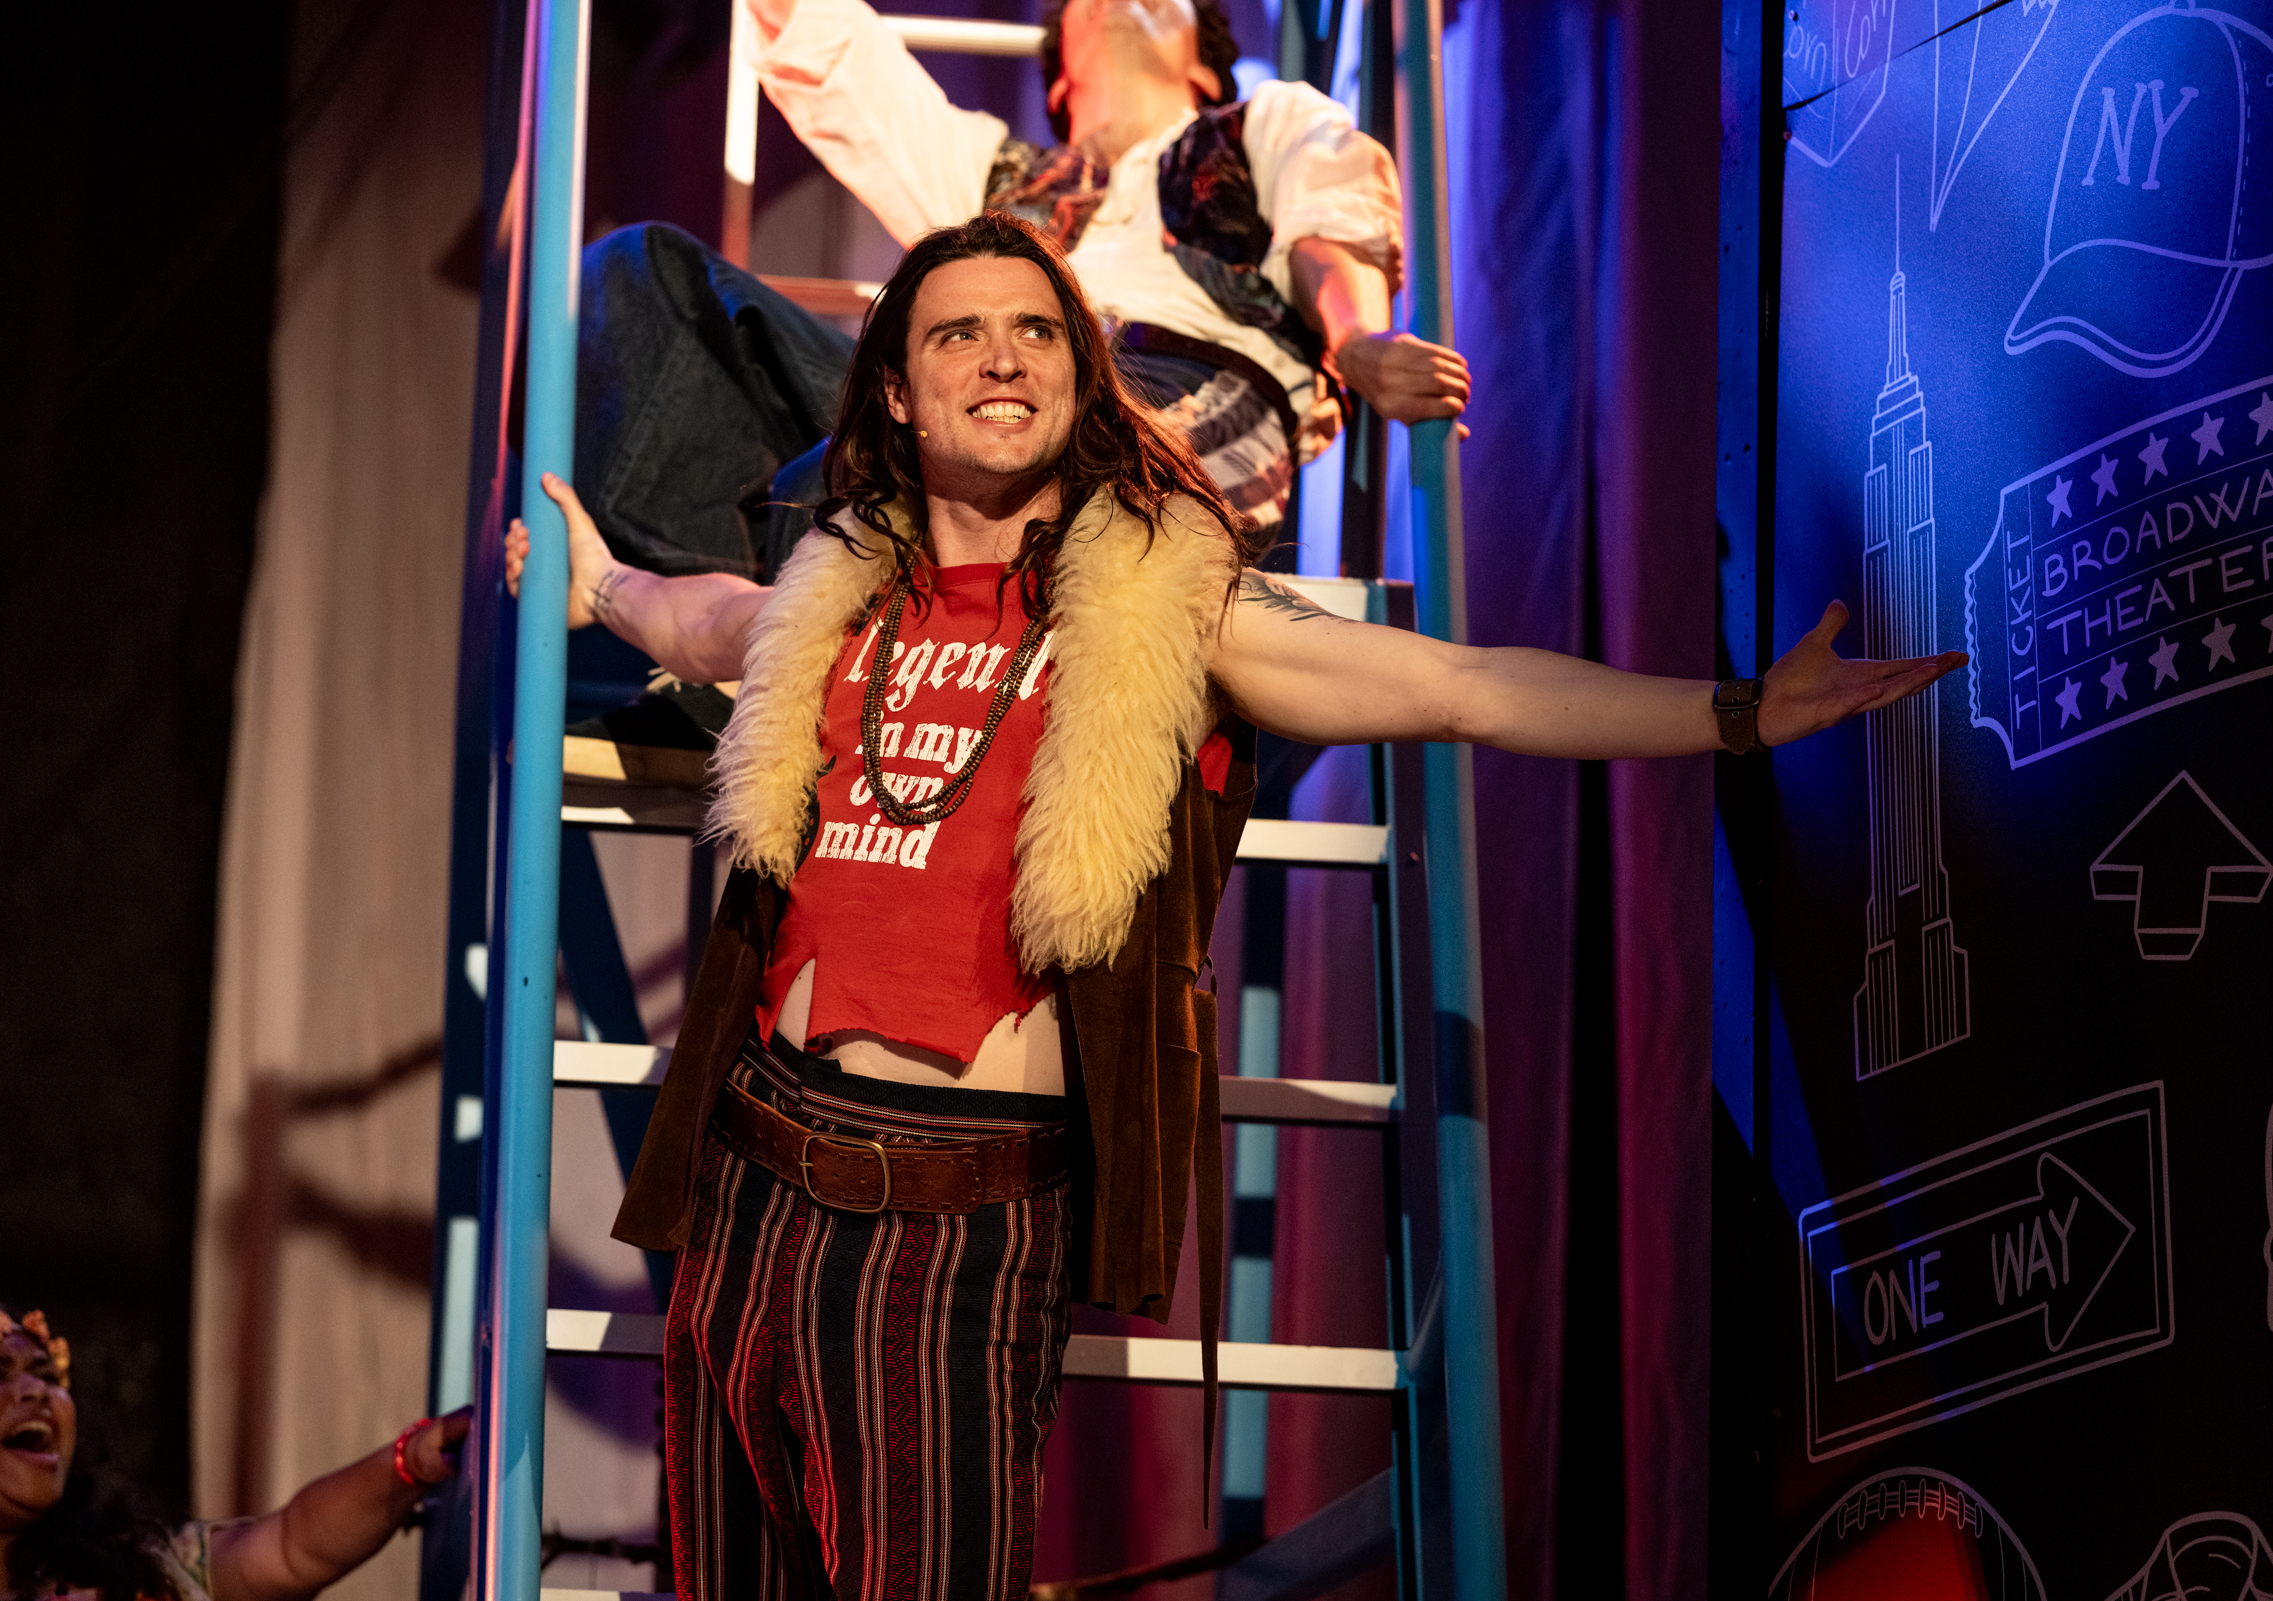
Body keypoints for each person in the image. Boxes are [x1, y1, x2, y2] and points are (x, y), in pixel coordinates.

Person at [506, 212, 1962, 1598]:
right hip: (754, 1188)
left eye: (1036, 331)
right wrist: (601, 584)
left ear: (1082, 380)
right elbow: (703, 615)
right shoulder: (835, 595)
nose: (1003, 356)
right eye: (959, 334)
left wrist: (1735, 712)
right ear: (896, 390)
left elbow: (1463, 689)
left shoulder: (1168, 605)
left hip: (952, 1223)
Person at [572, 0, 1462, 589]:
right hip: (976, 396)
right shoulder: (996, 180)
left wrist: (1361, 343)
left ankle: (734, 634)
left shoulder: (1259, 123)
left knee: (835, 478)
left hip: (1174, 411)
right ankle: (720, 623)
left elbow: (1327, 216)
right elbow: (841, 66)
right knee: (645, 275)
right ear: (1062, 74)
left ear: (1205, 65)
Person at [0, 1296, 471, 1601]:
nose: (36, 1392)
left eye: (47, 1375)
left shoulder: (150, 1566)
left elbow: (294, 1546)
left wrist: (410, 1462)